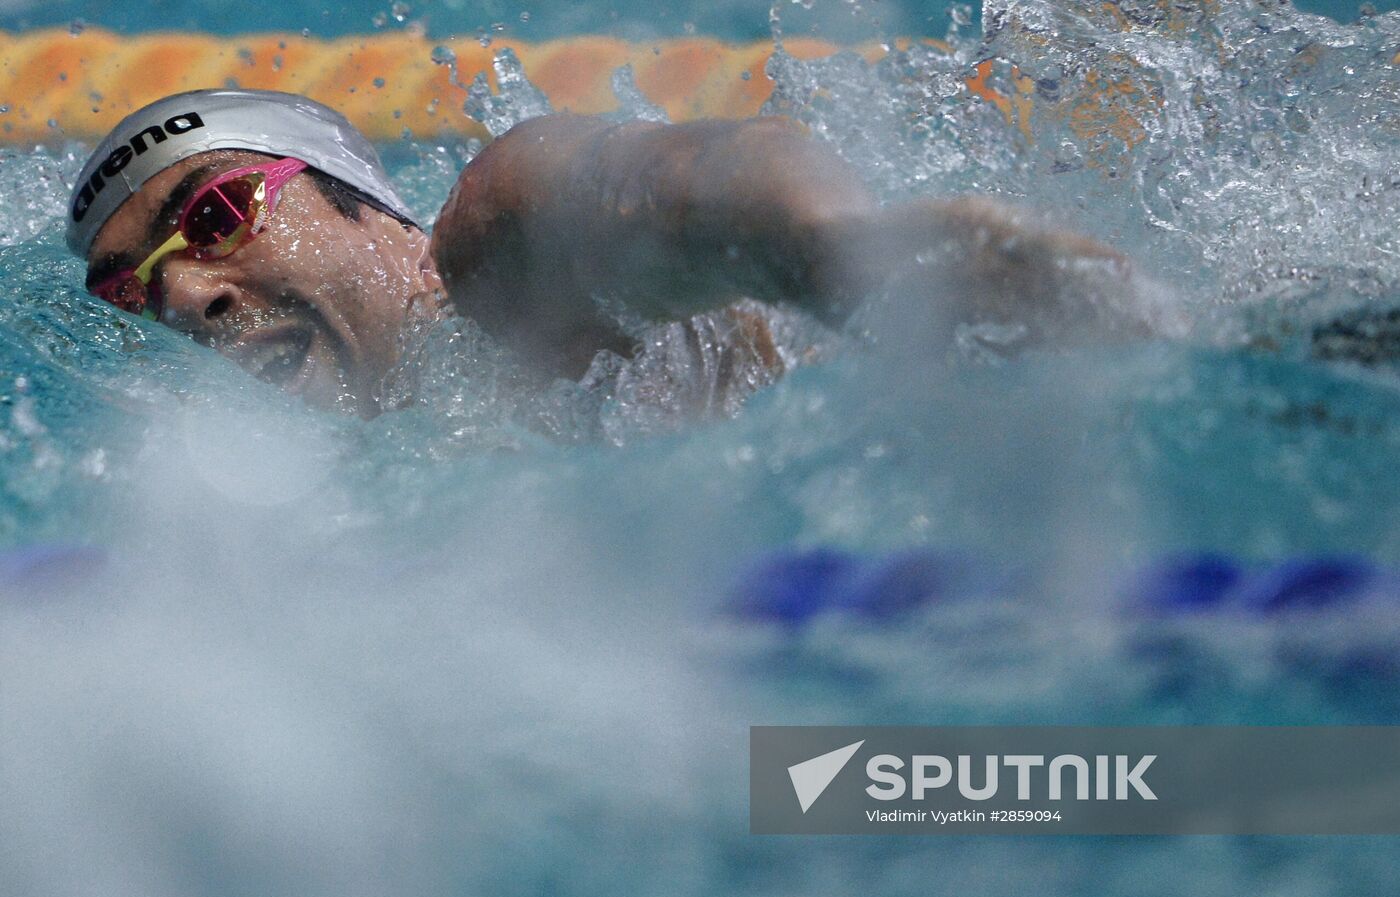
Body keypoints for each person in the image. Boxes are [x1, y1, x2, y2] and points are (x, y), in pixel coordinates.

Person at [68, 89, 1152, 417]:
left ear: (370, 208)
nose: (188, 296)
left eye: (214, 216)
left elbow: (683, 185)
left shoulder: (492, 262)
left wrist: (840, 257)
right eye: (131, 290)